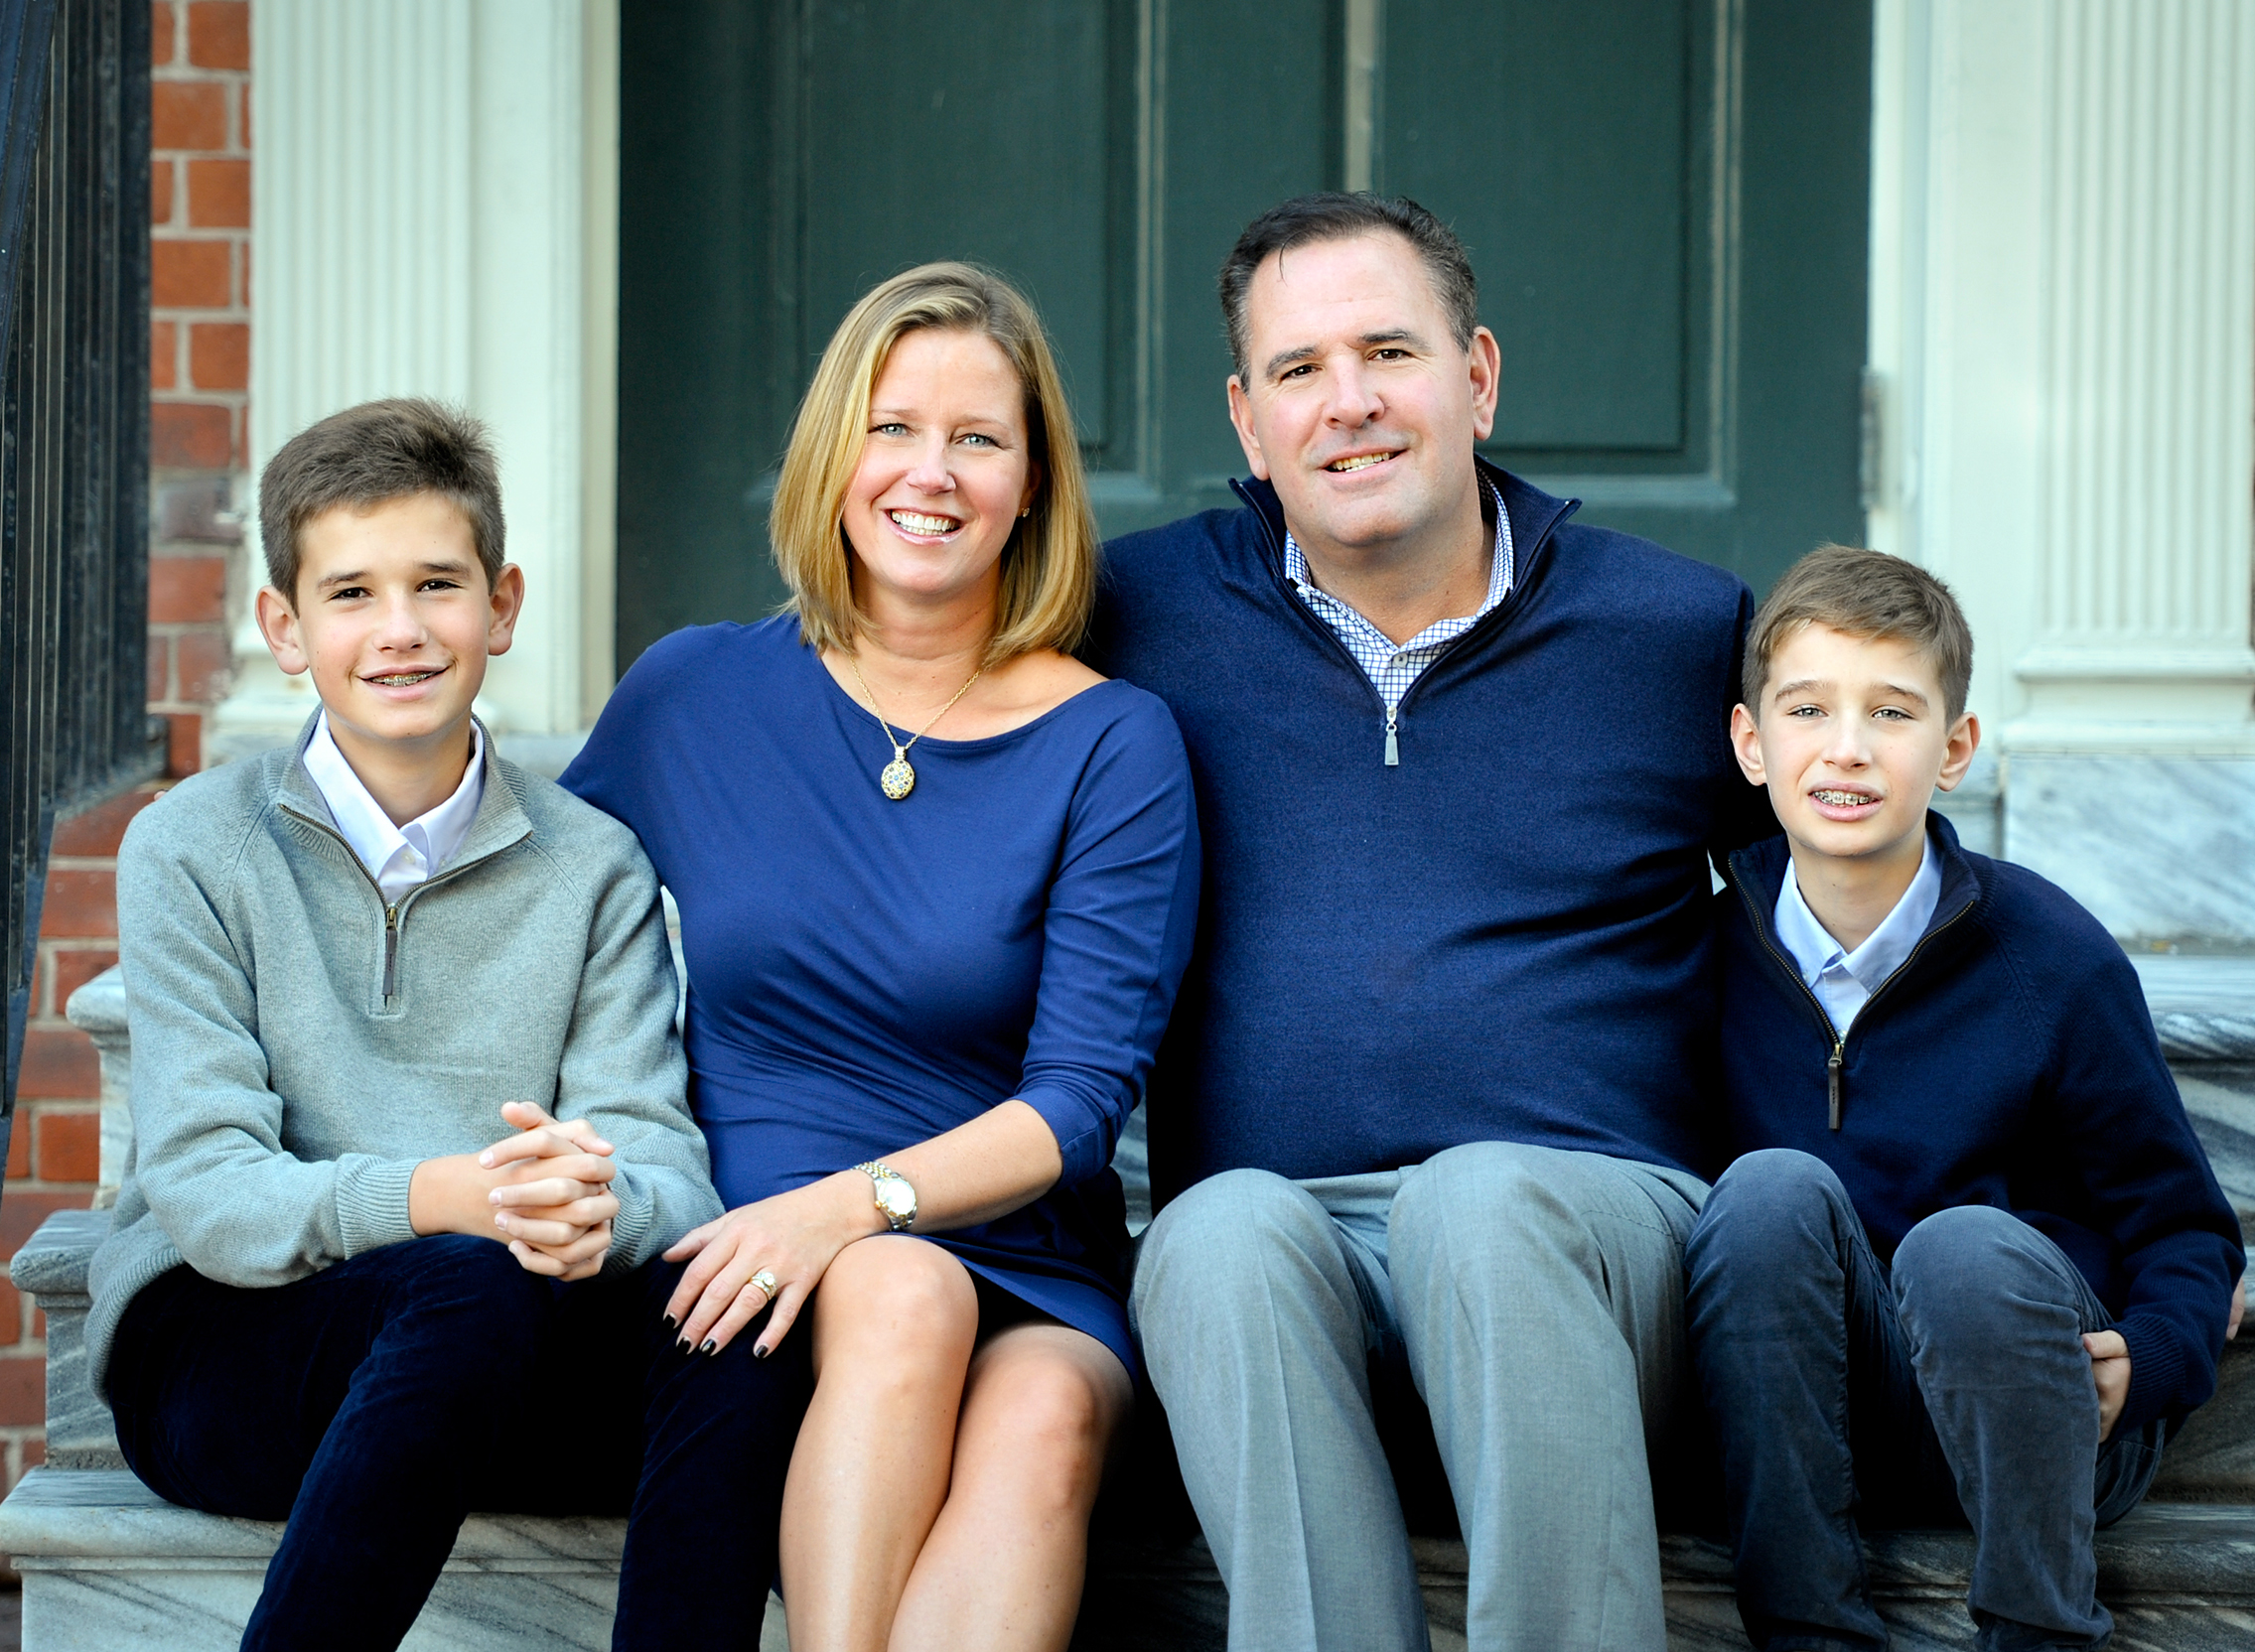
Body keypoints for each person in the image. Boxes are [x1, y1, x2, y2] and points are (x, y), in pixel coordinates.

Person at [1085, 192, 1773, 1650]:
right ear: (1245, 420)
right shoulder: (1129, 619)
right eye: (1296, 370)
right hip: (1292, 1255)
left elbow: (1874, 923)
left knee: (1479, 1199)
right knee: (1202, 1233)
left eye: (1386, 352)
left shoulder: (1675, 633)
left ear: (1475, 377)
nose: (1347, 405)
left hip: (1594, 1235)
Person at [87, 398, 809, 1651]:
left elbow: (662, 1166)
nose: (402, 630)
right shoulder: (193, 846)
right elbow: (206, 1188)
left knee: (735, 1320)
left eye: (437, 583)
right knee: (467, 1284)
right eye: (353, 593)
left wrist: (599, 1208)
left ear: (504, 604)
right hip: (225, 1343)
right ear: (286, 628)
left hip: (498, 1333)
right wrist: (445, 1195)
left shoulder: (593, 864)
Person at [561, 262, 1199, 1652]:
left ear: (1031, 484)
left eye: (979, 438)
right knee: (900, 1292)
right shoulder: (695, 693)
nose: (932, 473)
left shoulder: (1113, 743)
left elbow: (1081, 1103)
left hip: (1019, 1240)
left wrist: (852, 1204)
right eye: (893, 428)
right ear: (832, 455)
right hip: (751, 1259)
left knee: (1042, 1416)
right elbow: (528, 926)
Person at [1686, 544, 2245, 1652]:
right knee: (1760, 1196)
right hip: (1832, 1415)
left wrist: (2155, 1358)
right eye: (1808, 708)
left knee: (1962, 1250)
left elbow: (2185, 1225)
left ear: (1953, 750)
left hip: (2046, 1404)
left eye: (1892, 713)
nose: (1847, 747)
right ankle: (1809, 1630)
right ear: (1752, 744)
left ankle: (2039, 1632)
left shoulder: (2053, 960)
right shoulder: (1699, 968)